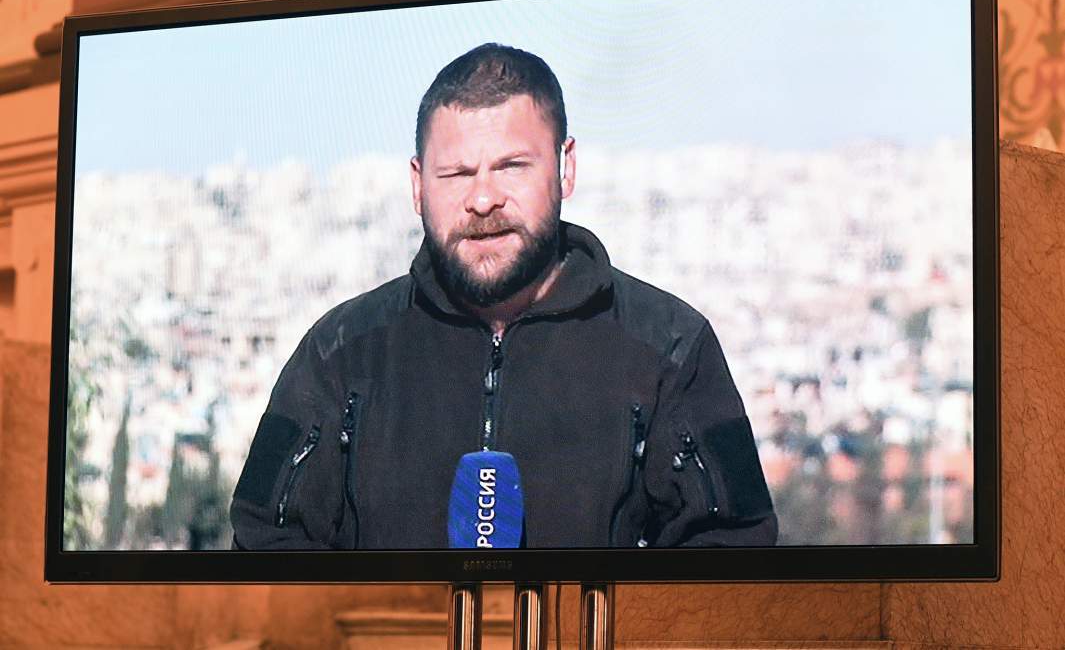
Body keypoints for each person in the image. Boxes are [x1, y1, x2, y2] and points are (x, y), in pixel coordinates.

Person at [230, 43, 777, 549]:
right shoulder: (341, 353)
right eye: (456, 174)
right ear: (418, 185)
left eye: (511, 167)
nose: (483, 199)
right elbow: (264, 552)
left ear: (565, 168)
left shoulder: (669, 348)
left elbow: (732, 562)